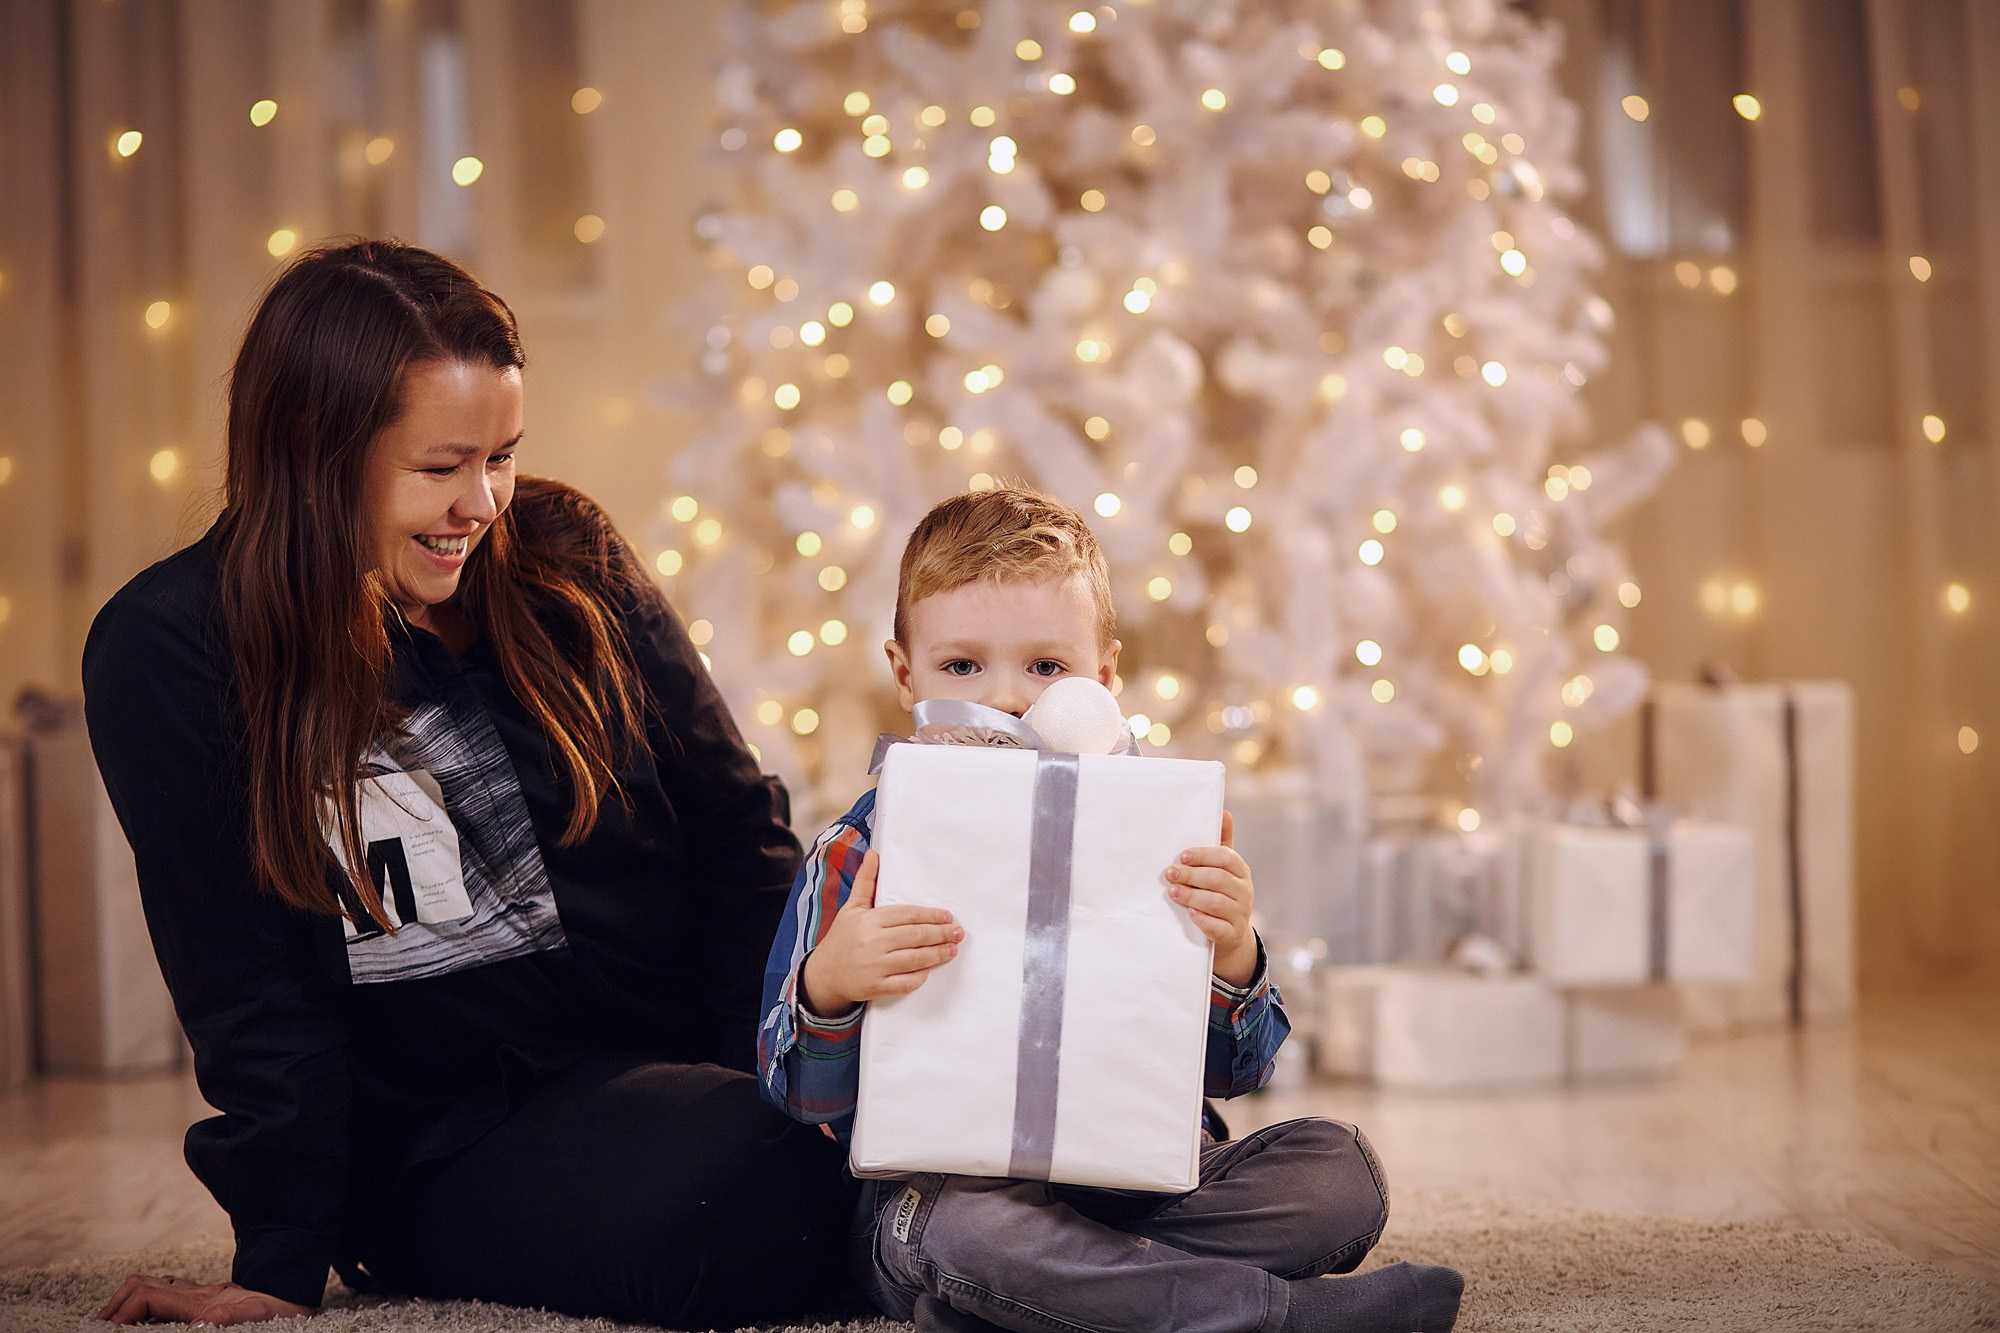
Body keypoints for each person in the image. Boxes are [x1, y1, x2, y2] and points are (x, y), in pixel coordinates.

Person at [82, 240, 858, 1328]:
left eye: (501, 457)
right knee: (734, 1200)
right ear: (314, 451)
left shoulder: (564, 549)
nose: (482, 502)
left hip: (695, 1064)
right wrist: (281, 1249)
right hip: (453, 1137)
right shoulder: (172, 646)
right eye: (440, 467)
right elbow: (242, 985)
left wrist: (779, 1074)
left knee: (904, 1109)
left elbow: (739, 833)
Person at [757, 487, 1464, 1333]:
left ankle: (1046, 1302)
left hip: (1140, 1190)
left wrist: (1232, 950)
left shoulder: (1154, 830)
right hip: (943, 1198)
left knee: (1339, 1172)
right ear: (906, 673)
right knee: (973, 1235)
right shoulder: (858, 851)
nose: (1009, 700)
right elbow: (794, 1093)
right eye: (962, 666)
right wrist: (832, 984)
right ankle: (1275, 1318)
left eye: (1047, 668)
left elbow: (1236, 1072)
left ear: (1106, 674)